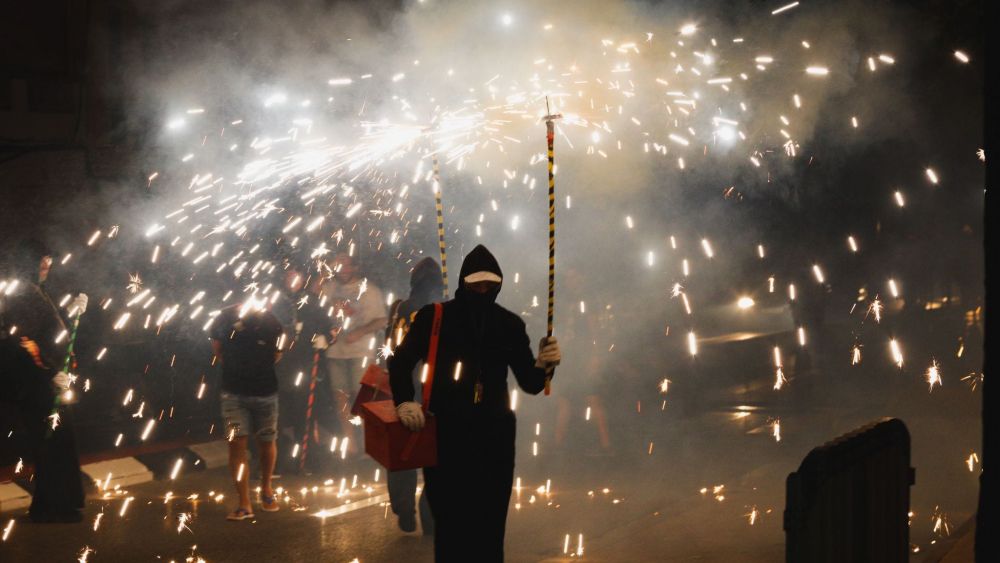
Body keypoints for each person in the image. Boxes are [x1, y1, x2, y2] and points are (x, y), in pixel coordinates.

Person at [388, 245, 561, 562]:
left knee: (490, 528)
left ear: (498, 285)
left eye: (489, 285)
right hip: (447, 436)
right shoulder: (435, 317)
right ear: (463, 283)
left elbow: (531, 383)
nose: (483, 291)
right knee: (451, 528)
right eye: (476, 284)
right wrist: (404, 403)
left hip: (495, 438)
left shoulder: (509, 324)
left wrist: (546, 363)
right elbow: (399, 364)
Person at [0, 256, 87, 523]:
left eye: (49, 263)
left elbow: (50, 330)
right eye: (41, 264)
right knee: (53, 442)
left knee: (58, 440)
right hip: (35, 384)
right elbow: (26, 340)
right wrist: (51, 372)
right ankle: (52, 506)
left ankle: (52, 504)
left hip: (45, 380)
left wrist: (72, 311)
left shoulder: (36, 291)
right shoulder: (22, 293)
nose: (46, 268)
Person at [210, 299, 285, 521]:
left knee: (267, 441)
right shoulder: (223, 319)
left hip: (265, 393)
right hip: (233, 393)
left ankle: (266, 489)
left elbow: (277, 353)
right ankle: (244, 502)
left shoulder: (272, 322)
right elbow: (218, 350)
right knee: (237, 444)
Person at [384, 257, 443, 534]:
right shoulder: (443, 310)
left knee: (403, 453)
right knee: (435, 457)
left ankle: (404, 507)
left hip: (404, 387)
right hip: (434, 390)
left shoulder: (398, 308)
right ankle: (430, 516)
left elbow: (388, 349)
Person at [317, 254, 387, 454]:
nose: (343, 269)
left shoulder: (369, 290)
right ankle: (351, 444)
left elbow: (382, 320)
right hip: (335, 352)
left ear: (356, 267)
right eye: (339, 265)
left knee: (361, 397)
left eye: (347, 265)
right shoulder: (329, 287)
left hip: (361, 351)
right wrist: (326, 269)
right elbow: (312, 292)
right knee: (340, 396)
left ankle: (368, 441)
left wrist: (360, 332)